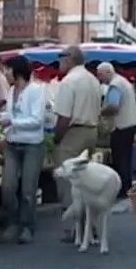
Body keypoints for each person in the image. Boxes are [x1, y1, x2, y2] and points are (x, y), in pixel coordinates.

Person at [51, 45, 102, 244]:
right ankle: (92, 226)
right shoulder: (93, 80)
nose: (59, 61)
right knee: (86, 181)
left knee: (68, 181)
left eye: (61, 57)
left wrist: (57, 138)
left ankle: (78, 229)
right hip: (91, 131)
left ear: (70, 59)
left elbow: (64, 116)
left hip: (74, 133)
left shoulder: (69, 82)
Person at [0, 57, 47, 244]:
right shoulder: (11, 91)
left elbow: (37, 120)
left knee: (28, 189)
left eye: (7, 70)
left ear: (17, 71)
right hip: (12, 143)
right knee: (8, 187)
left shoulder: (37, 91)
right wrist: (0, 117)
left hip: (32, 145)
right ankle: (12, 222)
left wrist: (12, 122)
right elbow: (12, 114)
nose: (5, 73)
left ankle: (27, 226)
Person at [95, 62, 136, 210]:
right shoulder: (124, 82)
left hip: (121, 126)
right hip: (130, 124)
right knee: (125, 157)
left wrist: (100, 111)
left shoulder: (115, 85)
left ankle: (123, 188)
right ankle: (127, 187)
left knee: (120, 157)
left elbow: (114, 106)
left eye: (100, 75)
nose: (99, 78)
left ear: (108, 72)